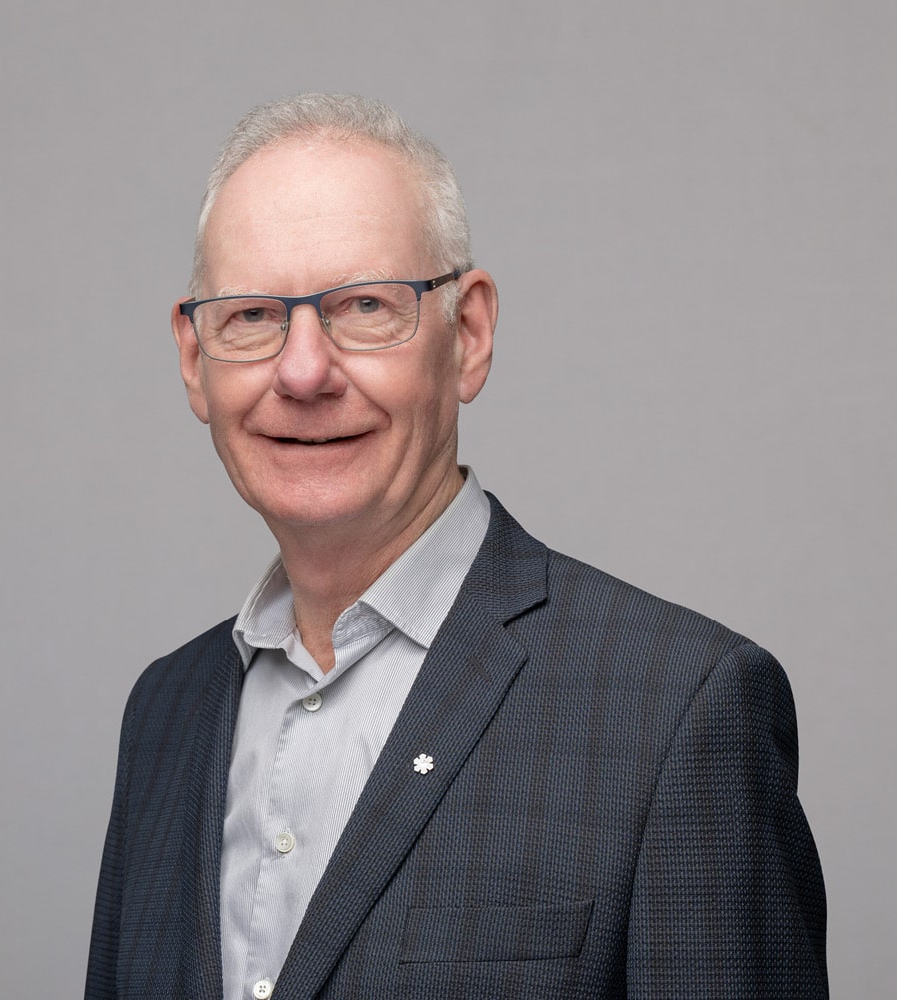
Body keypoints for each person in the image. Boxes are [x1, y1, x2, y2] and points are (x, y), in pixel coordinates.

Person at [85, 93, 827, 999]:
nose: (304, 372)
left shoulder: (677, 710)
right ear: (193, 359)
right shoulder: (166, 712)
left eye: (365, 305)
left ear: (468, 334)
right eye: (251, 316)